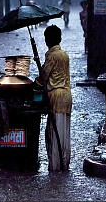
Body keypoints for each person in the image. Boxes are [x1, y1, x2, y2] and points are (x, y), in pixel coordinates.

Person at [35, 25, 72, 171]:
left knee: (53, 131)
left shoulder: (51, 55)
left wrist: (34, 83)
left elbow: (44, 77)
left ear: (48, 40)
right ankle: (64, 164)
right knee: (64, 132)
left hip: (55, 96)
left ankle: (55, 167)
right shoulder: (64, 55)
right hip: (67, 96)